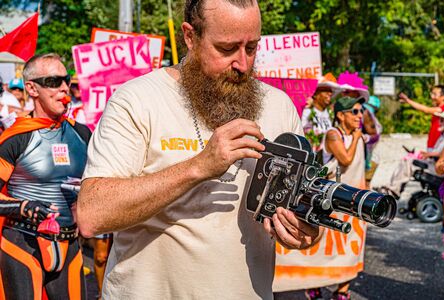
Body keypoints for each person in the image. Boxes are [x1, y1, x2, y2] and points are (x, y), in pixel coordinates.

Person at [76, 0, 322, 298]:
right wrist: (198, 167)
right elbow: (92, 215)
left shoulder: (279, 106)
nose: (243, 64)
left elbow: (303, 215)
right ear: (190, 36)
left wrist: (302, 231)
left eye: (252, 47)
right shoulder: (137, 100)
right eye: (227, 48)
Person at [0, 53, 90, 299]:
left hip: (70, 242)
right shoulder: (16, 138)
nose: (64, 87)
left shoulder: (82, 134)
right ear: (32, 88)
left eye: (66, 79)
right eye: (53, 81)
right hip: (23, 241)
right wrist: (24, 207)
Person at [305, 96, 366, 300]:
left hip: (355, 197)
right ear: (340, 115)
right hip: (334, 198)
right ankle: (313, 283)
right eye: (354, 112)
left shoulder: (357, 132)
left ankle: (342, 290)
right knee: (326, 245)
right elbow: (345, 159)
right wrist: (357, 138)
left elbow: (376, 131)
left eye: (361, 111)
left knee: (352, 243)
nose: (360, 116)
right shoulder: (333, 134)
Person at [399, 85, 444, 152]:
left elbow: (426, 110)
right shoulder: (439, 108)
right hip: (432, 142)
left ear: (443, 97)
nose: (432, 97)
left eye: (435, 94)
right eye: (432, 94)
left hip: (438, 145)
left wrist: (408, 100)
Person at [302, 74, 339, 153]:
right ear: (315, 94)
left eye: (330, 91)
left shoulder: (331, 113)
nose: (330, 93)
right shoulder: (306, 112)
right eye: (325, 90)